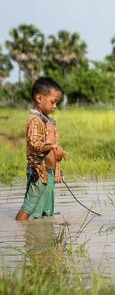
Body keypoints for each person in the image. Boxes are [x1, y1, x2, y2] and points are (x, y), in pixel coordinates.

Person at [16, 76, 68, 221]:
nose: (55, 106)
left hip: (49, 172)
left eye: (56, 102)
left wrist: (59, 168)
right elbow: (34, 144)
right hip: (39, 171)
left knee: (47, 208)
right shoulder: (35, 120)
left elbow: (53, 147)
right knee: (30, 206)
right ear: (39, 98)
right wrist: (53, 146)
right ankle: (17, 229)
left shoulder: (49, 121)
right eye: (53, 101)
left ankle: (43, 237)